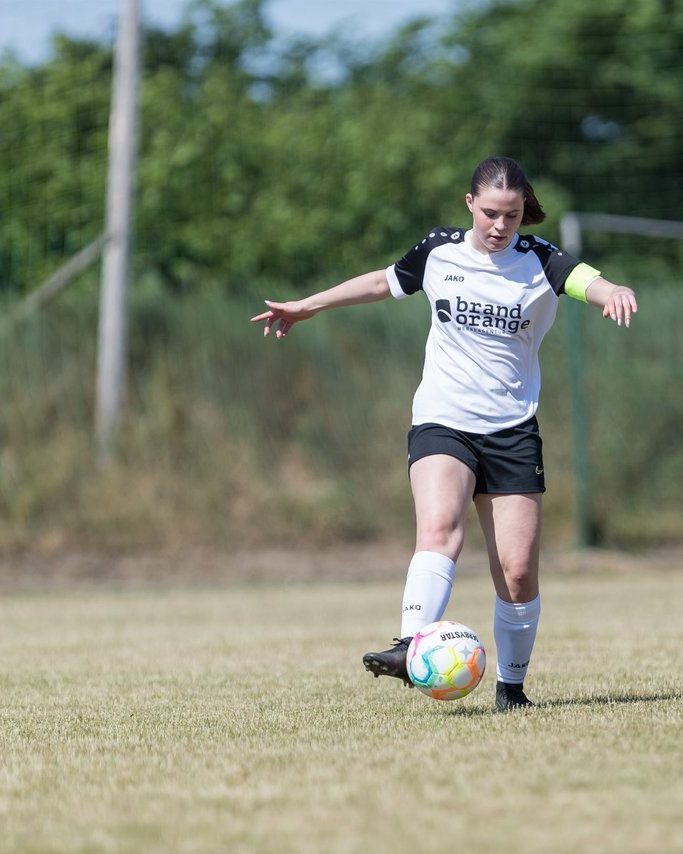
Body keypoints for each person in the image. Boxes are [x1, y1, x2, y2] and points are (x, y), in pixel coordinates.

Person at [252, 156, 638, 710]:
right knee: (438, 527)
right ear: (469, 206)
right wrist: (308, 305)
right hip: (444, 418)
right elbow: (383, 282)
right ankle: (409, 647)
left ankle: (511, 689)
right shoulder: (438, 251)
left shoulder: (541, 260)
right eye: (489, 214)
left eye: (512, 215)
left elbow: (588, 283)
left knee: (518, 569)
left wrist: (614, 289)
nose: (500, 226)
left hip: (511, 429)